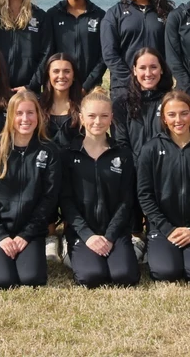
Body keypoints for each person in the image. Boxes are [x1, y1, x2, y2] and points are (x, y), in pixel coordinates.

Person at [0, 91, 62, 288]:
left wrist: (26, 235)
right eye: (19, 113)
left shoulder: (48, 150)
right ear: (10, 116)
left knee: (31, 279)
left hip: (29, 231)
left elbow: (49, 198)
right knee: (1, 281)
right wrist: (0, 235)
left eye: (30, 113)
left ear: (38, 116)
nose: (25, 119)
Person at [137, 90, 190, 285]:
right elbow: (145, 195)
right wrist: (167, 229)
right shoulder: (150, 149)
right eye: (172, 114)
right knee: (166, 272)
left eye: (184, 113)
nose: (179, 119)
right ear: (164, 119)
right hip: (164, 228)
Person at [59, 90, 140, 287]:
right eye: (92, 116)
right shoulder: (68, 154)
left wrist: (111, 236)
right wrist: (87, 235)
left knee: (124, 277)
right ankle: (69, 250)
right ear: (81, 118)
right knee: (92, 277)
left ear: (111, 117)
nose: (98, 121)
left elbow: (126, 201)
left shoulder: (122, 154)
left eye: (104, 116)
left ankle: (127, 249)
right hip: (82, 232)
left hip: (115, 231)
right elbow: (66, 201)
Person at [101, 0, 174, 100]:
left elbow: (172, 52)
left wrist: (159, 78)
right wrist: (132, 81)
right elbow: (110, 54)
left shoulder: (166, 13)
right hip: (124, 90)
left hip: (159, 89)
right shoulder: (114, 14)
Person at [46, 0, 107, 91]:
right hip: (60, 87)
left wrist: (87, 85)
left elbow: (103, 56)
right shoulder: (53, 15)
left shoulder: (99, 15)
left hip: (90, 89)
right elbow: (48, 53)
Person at [113, 47, 174, 159]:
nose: (148, 73)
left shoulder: (172, 101)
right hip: (134, 170)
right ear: (135, 71)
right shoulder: (121, 104)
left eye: (153, 67)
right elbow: (120, 142)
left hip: (166, 169)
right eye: (142, 68)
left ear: (161, 69)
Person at [38, 53, 83, 147]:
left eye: (67, 71)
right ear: (48, 75)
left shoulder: (84, 106)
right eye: (56, 71)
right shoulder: (37, 105)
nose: (61, 76)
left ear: (73, 75)